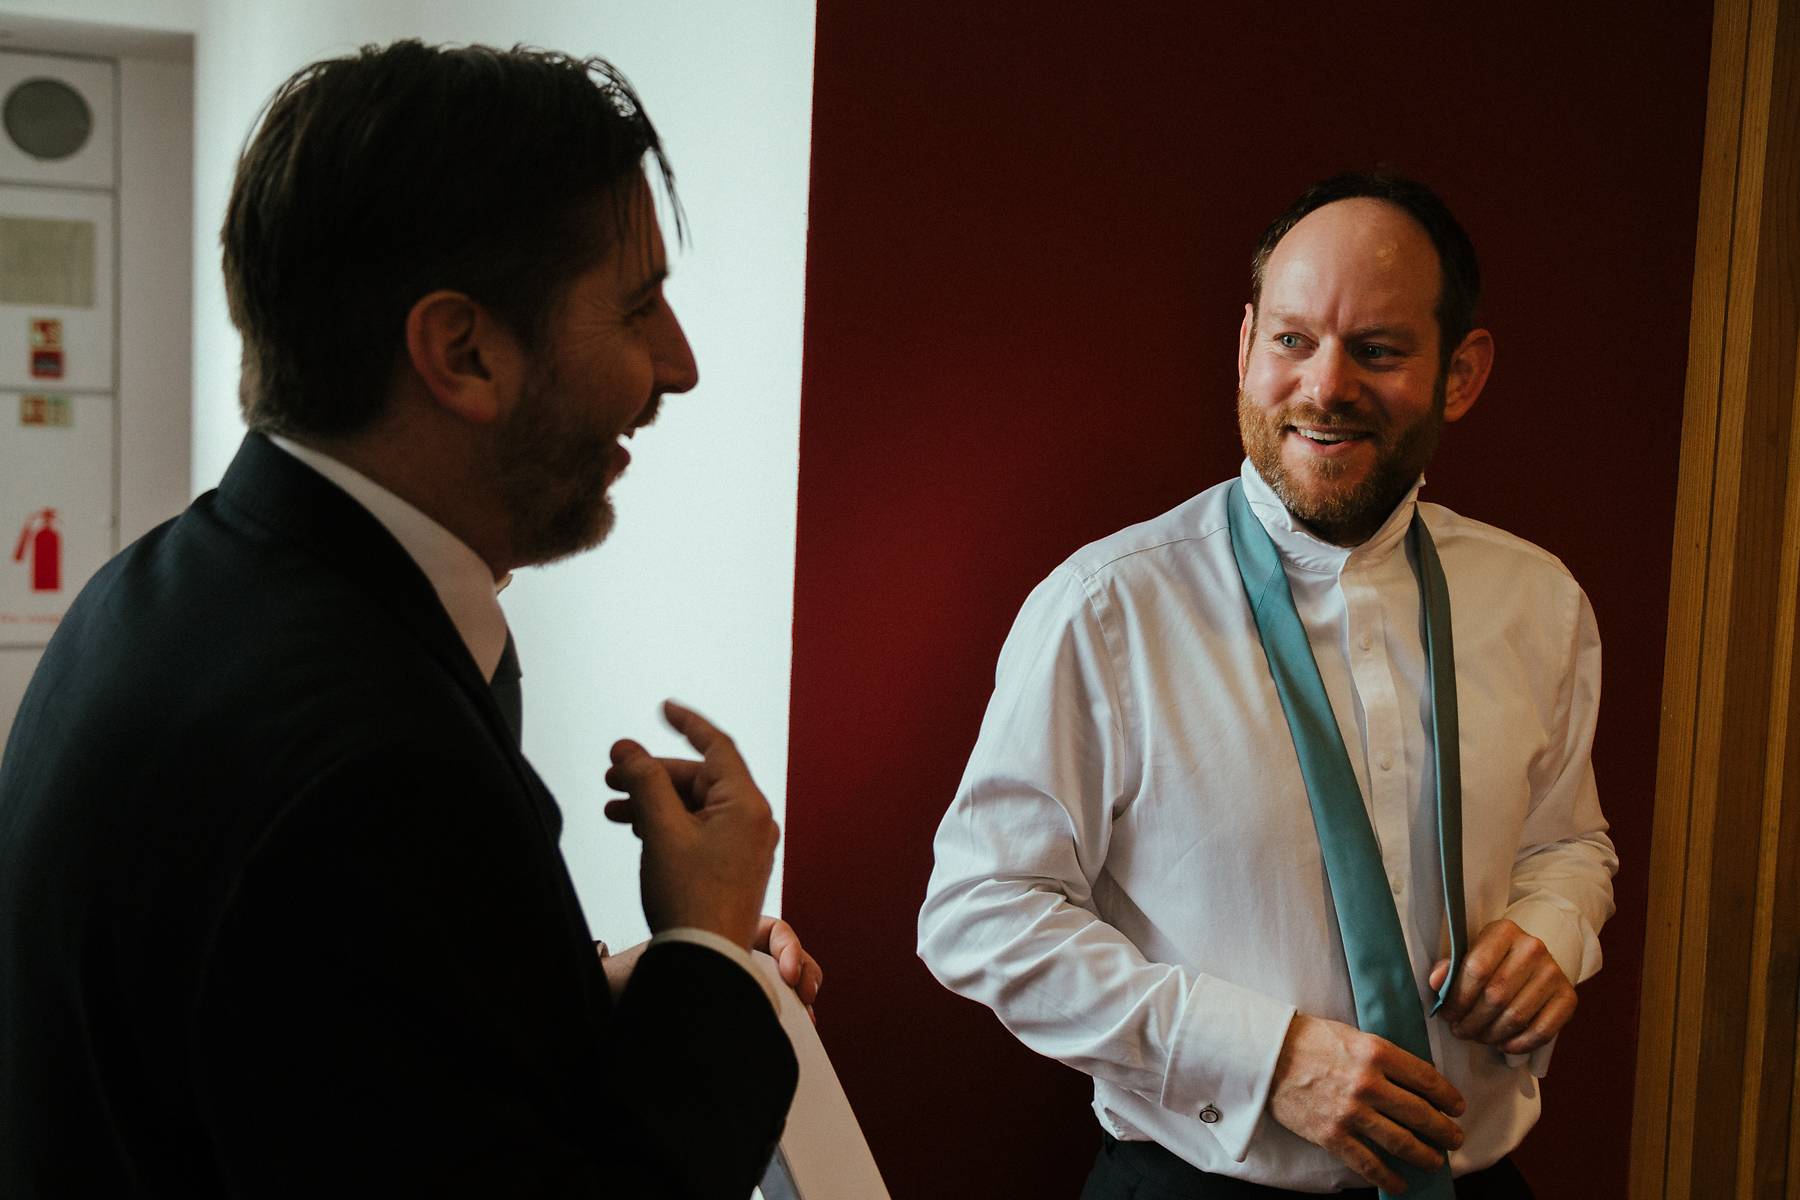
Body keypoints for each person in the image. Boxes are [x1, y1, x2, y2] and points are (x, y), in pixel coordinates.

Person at [0, 41, 815, 1198]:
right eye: (638, 307)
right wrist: (711, 953)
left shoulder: (161, 593)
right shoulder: (377, 772)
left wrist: (614, 987)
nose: (676, 367)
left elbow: (338, 1067)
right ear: (463, 350)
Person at [917, 173, 1616, 1198]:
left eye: (1376, 350)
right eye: (1292, 341)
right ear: (1245, 347)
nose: (1325, 386)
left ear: (1460, 373)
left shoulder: (1538, 602)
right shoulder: (1107, 610)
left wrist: (1551, 933)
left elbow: (1569, 845)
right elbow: (980, 910)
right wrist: (1264, 1058)